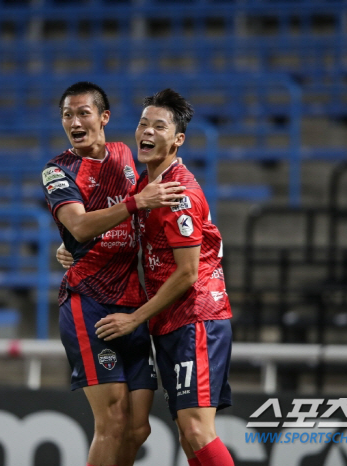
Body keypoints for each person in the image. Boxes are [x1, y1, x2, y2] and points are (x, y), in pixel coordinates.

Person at [42, 81, 185, 466]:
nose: (74, 121)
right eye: (67, 115)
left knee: (139, 428)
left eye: (83, 112)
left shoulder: (124, 153)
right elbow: (81, 226)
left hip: (131, 301)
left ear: (103, 117)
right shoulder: (58, 171)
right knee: (113, 420)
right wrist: (75, 238)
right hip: (88, 303)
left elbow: (150, 197)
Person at [95, 89, 236, 466]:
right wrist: (71, 251)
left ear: (178, 140)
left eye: (160, 126)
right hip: (171, 321)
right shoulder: (147, 187)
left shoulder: (180, 194)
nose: (147, 131)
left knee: (196, 430)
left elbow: (188, 273)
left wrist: (135, 317)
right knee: (189, 437)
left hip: (197, 317)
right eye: (143, 123)